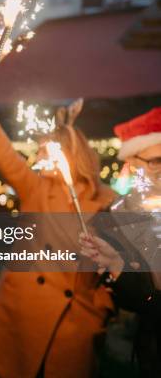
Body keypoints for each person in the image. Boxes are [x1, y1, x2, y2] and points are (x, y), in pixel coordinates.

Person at [0, 82, 116, 378]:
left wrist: (103, 305)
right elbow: (3, 153)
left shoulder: (108, 202)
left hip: (74, 322)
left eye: (44, 152)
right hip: (24, 314)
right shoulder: (36, 189)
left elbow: (123, 263)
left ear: (70, 155)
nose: (38, 159)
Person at [79, 107, 160, 377]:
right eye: (156, 161)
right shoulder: (125, 216)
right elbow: (142, 299)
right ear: (133, 163)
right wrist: (116, 263)